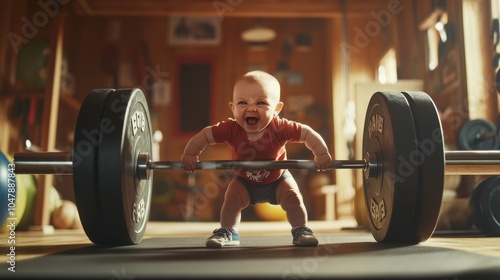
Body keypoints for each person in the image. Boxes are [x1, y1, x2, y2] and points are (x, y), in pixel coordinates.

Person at [181, 70, 332, 248]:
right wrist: (191, 154)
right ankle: (228, 231)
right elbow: (205, 135)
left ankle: (301, 230)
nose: (251, 108)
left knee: (293, 198)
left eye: (261, 102)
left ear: (276, 109)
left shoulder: (280, 127)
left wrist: (321, 153)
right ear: (233, 108)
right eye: (243, 102)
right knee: (231, 200)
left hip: (278, 179)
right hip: (244, 181)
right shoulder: (231, 128)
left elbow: (306, 133)